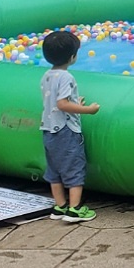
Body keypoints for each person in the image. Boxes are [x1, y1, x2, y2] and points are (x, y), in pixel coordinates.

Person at [40, 30, 99, 223]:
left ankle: (59, 207)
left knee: (54, 170)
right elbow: (62, 104)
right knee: (74, 169)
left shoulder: (47, 75)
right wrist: (88, 110)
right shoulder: (66, 77)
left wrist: (76, 101)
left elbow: (56, 101)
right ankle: (74, 210)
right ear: (72, 57)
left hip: (48, 129)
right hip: (66, 131)